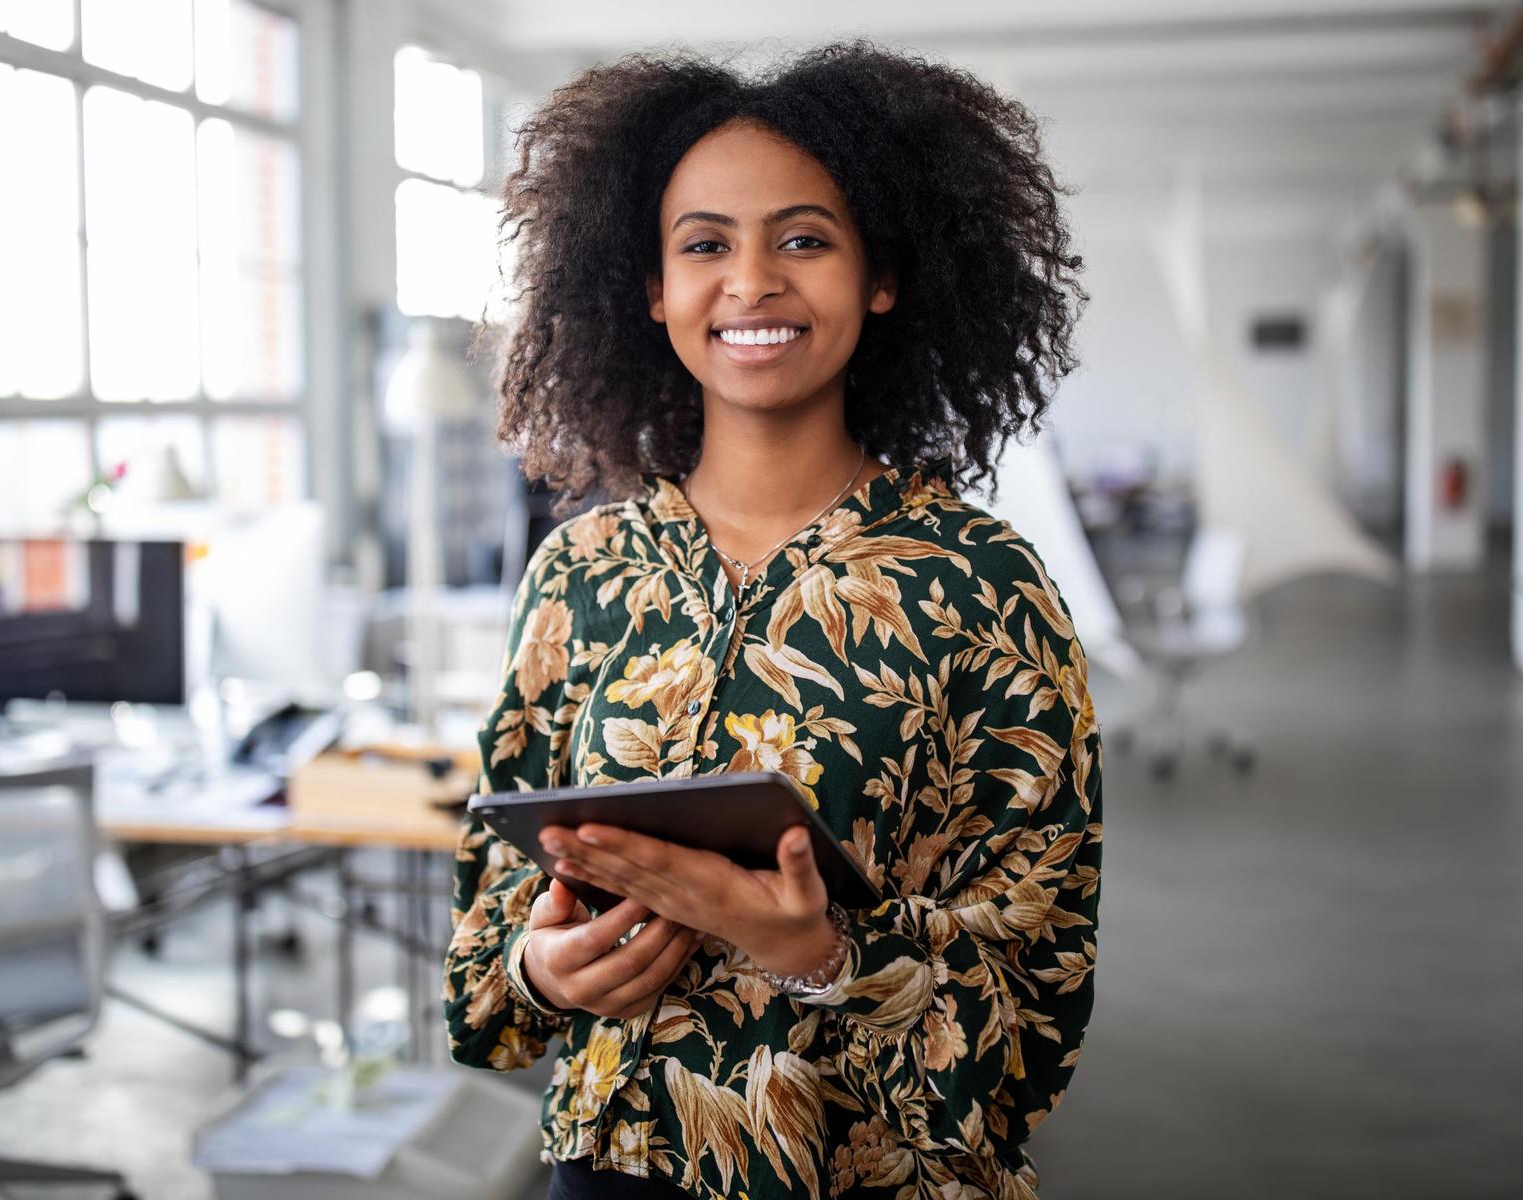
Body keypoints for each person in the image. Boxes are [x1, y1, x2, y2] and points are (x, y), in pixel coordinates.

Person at [443, 41, 1102, 1200]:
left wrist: (820, 954)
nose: (749, 282)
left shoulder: (981, 585)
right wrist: (544, 970)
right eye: (704, 244)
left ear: (880, 276)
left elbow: (1034, 1017)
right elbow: (482, 968)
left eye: (802, 239)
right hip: (611, 1175)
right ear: (650, 289)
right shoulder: (580, 575)